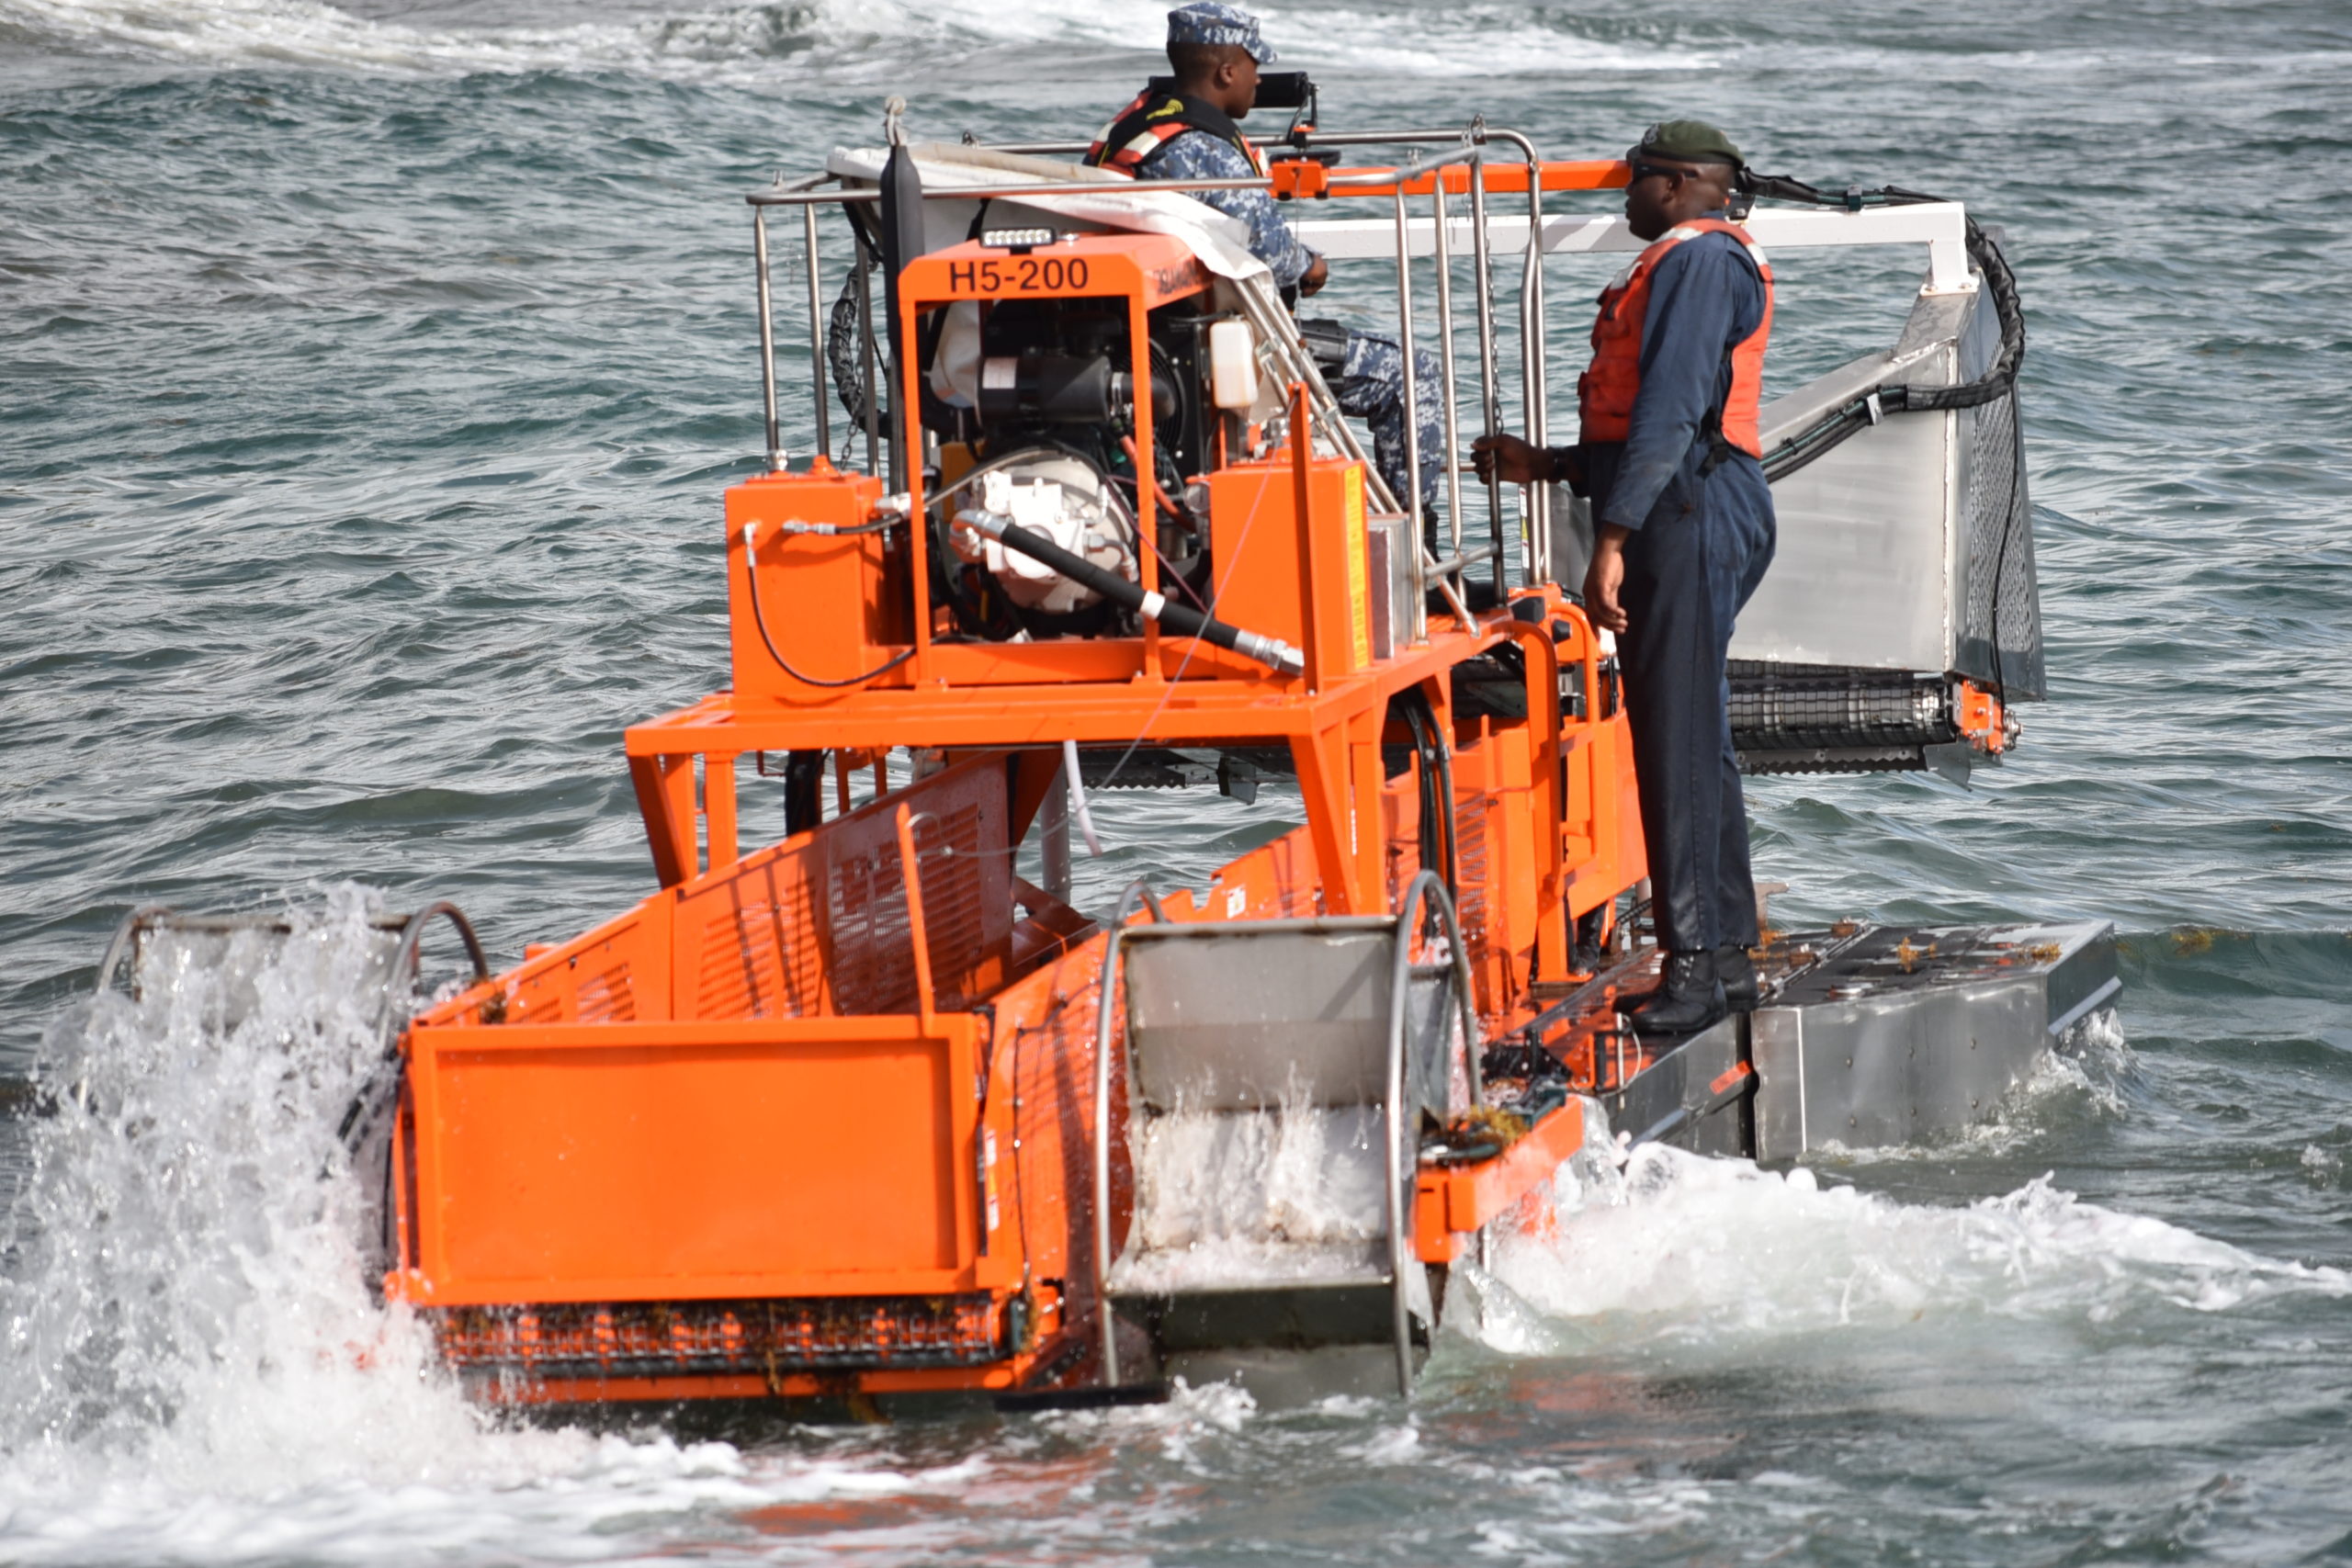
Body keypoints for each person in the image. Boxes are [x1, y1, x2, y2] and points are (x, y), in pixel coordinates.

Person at [1474, 119, 1777, 1035]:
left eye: (1635, 180)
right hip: (1689, 505)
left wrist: (1611, 541)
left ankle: (1694, 972)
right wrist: (1550, 466)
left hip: (1689, 512)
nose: (1625, 196)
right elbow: (1650, 425)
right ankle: (1725, 959)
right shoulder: (1696, 260)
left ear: (1678, 183)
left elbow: (1673, 412)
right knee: (1694, 736)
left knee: (1675, 742)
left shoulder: (1700, 260)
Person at [1089, 3, 1442, 519]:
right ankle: (1417, 541)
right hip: (1210, 347)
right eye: (1253, 65)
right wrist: (1313, 265)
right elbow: (1275, 255)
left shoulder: (1134, 128)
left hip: (1146, 336)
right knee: (1410, 373)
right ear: (1226, 72)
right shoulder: (1202, 149)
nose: (1259, 79)